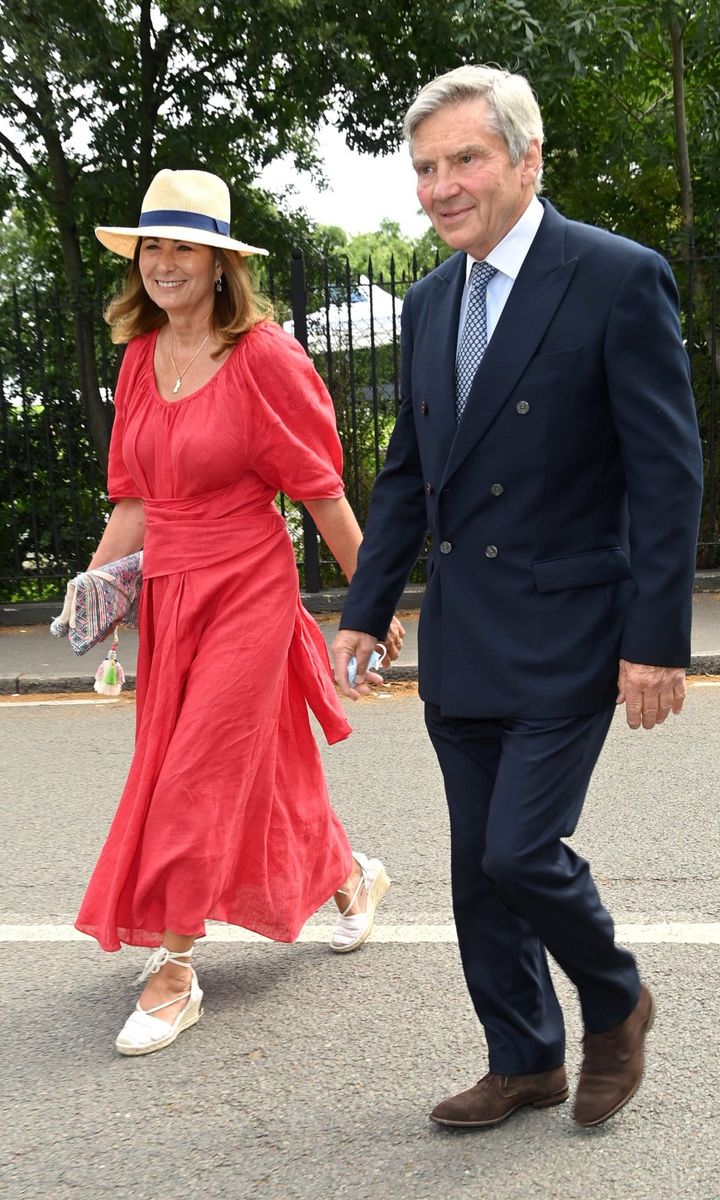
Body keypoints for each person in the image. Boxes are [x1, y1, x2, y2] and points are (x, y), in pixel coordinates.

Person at [333, 65, 703, 1129]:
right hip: (464, 632)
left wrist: (656, 639)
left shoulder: (614, 277)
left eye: (465, 159)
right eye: (426, 168)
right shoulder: (428, 300)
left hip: (570, 621)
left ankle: (616, 996)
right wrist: (364, 607)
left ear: (526, 161)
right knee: (476, 871)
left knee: (519, 850)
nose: (441, 187)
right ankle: (527, 1054)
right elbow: (412, 468)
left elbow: (666, 472)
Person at [76, 168, 402, 1056]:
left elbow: (321, 491)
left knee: (192, 777)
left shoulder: (266, 357)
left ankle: (175, 972)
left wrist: (367, 601)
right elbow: (135, 498)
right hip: (172, 595)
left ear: (222, 263)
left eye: (184, 245)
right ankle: (351, 877)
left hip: (250, 592)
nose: (164, 262)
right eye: (152, 245)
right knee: (254, 772)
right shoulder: (140, 359)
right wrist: (95, 587)